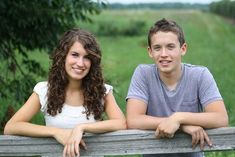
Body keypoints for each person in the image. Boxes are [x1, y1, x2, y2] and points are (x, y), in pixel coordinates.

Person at [4, 28, 126, 157]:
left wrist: (81, 128)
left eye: (87, 57)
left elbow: (121, 123)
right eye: (75, 55)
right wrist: (56, 132)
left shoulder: (102, 91)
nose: (80, 63)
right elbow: (11, 127)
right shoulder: (44, 90)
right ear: (63, 56)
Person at [126, 18, 228, 157]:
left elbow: (221, 118)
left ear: (183, 49)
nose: (163, 54)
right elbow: (133, 120)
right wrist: (183, 126)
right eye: (157, 48)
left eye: (170, 47)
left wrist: (178, 118)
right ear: (150, 51)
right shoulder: (143, 74)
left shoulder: (200, 75)